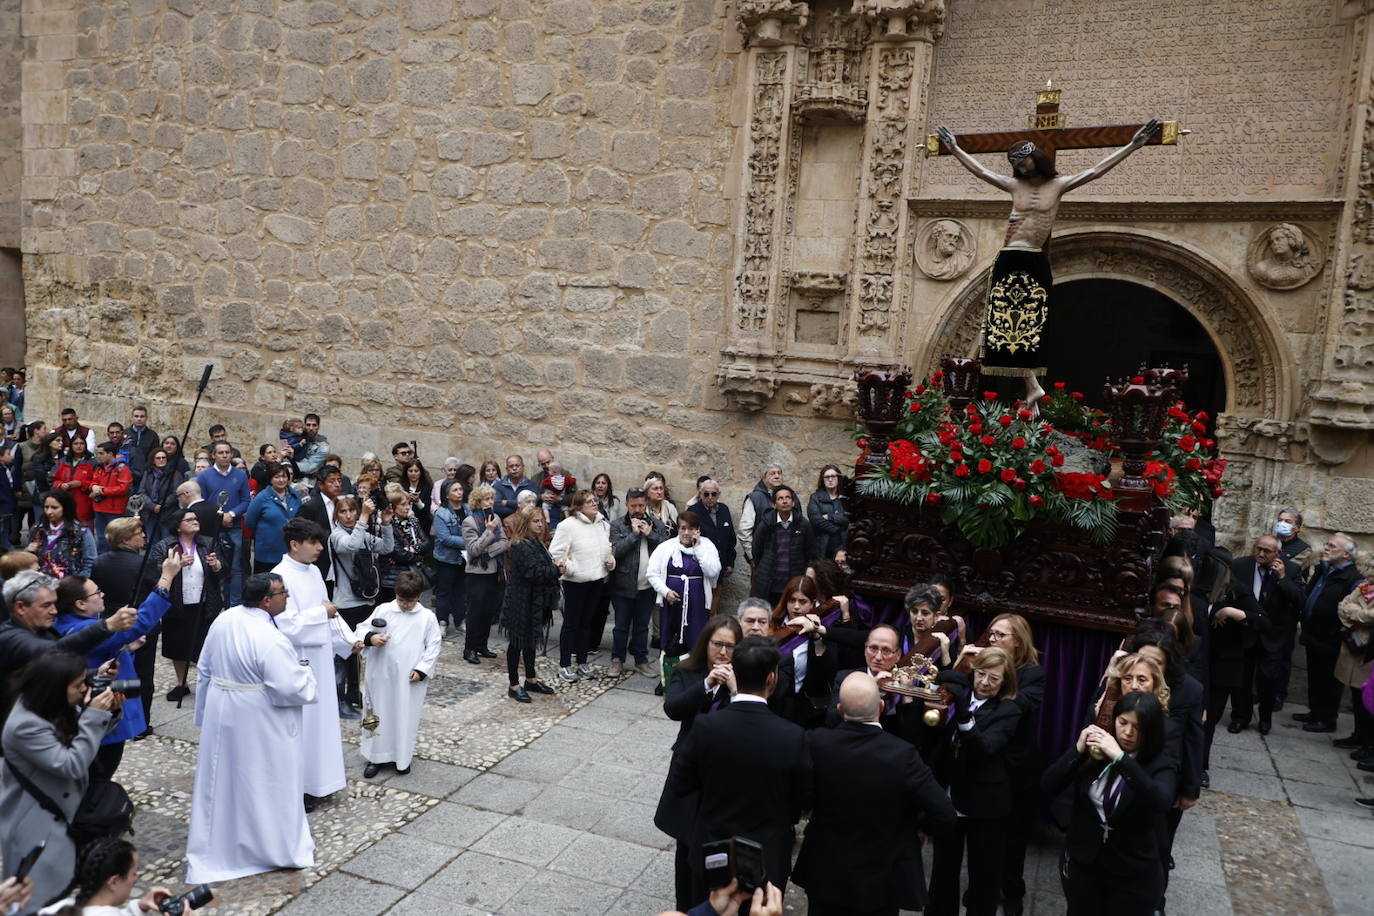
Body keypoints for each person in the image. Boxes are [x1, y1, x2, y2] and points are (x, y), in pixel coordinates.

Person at [935, 118, 1159, 405]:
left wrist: (1132, 146)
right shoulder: (1014, 185)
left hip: (1033, 257)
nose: (1021, 167)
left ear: (1036, 157)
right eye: (1016, 163)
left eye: (1024, 160)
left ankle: (1032, 386)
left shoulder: (1059, 185)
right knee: (1003, 326)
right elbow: (981, 171)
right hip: (1009, 255)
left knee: (1030, 323)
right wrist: (954, 149)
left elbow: (1095, 170)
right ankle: (1031, 386)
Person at [186, 572, 318, 882]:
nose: (287, 596)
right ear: (266, 601)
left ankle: (225, 837)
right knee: (263, 779)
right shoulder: (270, 638)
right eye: (282, 592)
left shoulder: (225, 619)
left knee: (226, 779)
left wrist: (205, 714)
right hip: (258, 719)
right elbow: (290, 687)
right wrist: (306, 672)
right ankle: (269, 846)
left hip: (224, 710)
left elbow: (204, 668)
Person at [792, 672, 957, 916]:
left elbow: (801, 794)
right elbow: (944, 813)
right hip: (881, 878)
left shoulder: (816, 742)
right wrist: (921, 829)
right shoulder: (903, 754)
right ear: (881, 706)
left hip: (826, 872)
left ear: (839, 709)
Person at [665, 636, 811, 905]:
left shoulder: (706, 727)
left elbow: (681, 784)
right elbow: (803, 799)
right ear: (771, 679)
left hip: (712, 847)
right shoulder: (792, 736)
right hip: (766, 852)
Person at [0, 650, 122, 914]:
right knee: (34, 901)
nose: (83, 690)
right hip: (35, 827)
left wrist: (107, 713)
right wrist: (94, 715)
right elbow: (72, 763)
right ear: (54, 688)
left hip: (62, 817)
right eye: (78, 685)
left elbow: (81, 735)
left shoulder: (49, 704)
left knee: (64, 894)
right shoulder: (24, 725)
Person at [1042, 692, 1177, 916]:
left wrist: (1121, 759)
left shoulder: (1160, 763)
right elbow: (1048, 784)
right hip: (1085, 863)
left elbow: (1160, 801)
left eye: (1138, 727)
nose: (1127, 732)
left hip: (1131, 873)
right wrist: (1077, 751)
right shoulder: (1099, 750)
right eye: (1122, 722)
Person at [52, 554, 181, 780]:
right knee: (100, 776)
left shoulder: (65, 623)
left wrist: (126, 648)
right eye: (96, 592)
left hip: (94, 707)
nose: (102, 594)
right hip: (101, 716)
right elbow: (139, 622)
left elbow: (98, 651)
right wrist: (166, 577)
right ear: (80, 604)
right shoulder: (85, 629)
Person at [955, 614, 1044, 916]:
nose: (992, 639)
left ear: (1017, 640)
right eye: (991, 634)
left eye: (1000, 635)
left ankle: (1013, 890)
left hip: (1013, 766)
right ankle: (984, 888)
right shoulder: (983, 664)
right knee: (986, 845)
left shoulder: (1032, 674)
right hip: (982, 760)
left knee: (1014, 836)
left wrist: (996, 677)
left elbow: (1021, 704)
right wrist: (966, 665)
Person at [925, 646, 1023, 916]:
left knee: (984, 875)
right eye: (981, 674)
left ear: (1005, 682)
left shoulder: (1009, 710)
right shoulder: (959, 694)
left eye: (994, 678)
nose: (985, 682)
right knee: (943, 870)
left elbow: (985, 748)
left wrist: (965, 717)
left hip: (985, 805)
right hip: (950, 796)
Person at [655, 614, 743, 910]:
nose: (723, 652)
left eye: (730, 646)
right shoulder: (688, 671)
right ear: (706, 643)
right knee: (686, 842)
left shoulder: (742, 680)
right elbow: (673, 708)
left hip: (725, 776)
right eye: (717, 644)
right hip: (691, 772)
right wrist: (706, 684)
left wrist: (733, 691)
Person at [271, 518, 352, 809]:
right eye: (314, 543)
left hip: (321, 658)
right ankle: (301, 786)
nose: (320, 548)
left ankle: (322, 781)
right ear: (295, 544)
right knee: (303, 726)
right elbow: (286, 624)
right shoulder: (279, 576)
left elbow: (328, 609)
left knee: (322, 722)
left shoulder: (314, 571)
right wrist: (321, 613)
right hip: (299, 659)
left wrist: (350, 641)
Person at [352, 570, 440, 777]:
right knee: (378, 714)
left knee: (405, 715)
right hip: (380, 673)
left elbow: (434, 646)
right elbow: (360, 629)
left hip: (408, 678)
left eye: (409, 601)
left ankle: (402, 757)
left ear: (418, 596)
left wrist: (422, 669)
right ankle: (375, 756)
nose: (405, 605)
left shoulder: (427, 617)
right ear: (396, 594)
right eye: (401, 600)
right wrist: (371, 638)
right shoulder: (384, 610)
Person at [0, 571, 137, 686]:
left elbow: (54, 673)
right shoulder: (10, 638)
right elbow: (56, 654)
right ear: (20, 607)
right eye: (46, 605)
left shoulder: (42, 629)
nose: (54, 611)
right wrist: (107, 626)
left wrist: (95, 674)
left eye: (54, 604)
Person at [1225, 535, 1303, 734]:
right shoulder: (1241, 565)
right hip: (1245, 632)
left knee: (1268, 680)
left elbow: (1300, 601)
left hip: (1273, 637)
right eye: (1258, 548)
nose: (1260, 553)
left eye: (1266, 551)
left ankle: (1265, 718)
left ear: (1278, 554)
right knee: (1241, 679)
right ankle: (1240, 717)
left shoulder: (1291, 570)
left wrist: (1283, 578)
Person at [147, 508, 225, 707]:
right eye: (189, 520)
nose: (195, 522)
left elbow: (224, 570)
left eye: (195, 518)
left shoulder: (208, 542)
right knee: (178, 645)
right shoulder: (165, 545)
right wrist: (176, 566)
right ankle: (181, 683)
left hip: (205, 602)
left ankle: (207, 681)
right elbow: (156, 571)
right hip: (177, 603)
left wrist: (216, 565)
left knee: (204, 644)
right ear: (178, 526)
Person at [90, 518, 159, 738]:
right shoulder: (144, 563)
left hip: (111, 621)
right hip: (139, 621)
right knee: (143, 674)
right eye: (139, 532)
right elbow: (155, 591)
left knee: (113, 670)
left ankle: (114, 715)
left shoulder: (99, 561)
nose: (144, 535)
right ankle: (141, 723)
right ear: (127, 538)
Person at [329, 495, 393, 719]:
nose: (348, 516)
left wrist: (385, 524)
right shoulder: (336, 535)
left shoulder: (362, 532)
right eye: (343, 512)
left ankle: (354, 693)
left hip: (365, 600)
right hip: (346, 602)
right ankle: (339, 699)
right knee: (345, 653)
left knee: (359, 650)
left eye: (352, 511)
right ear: (336, 515)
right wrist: (364, 516)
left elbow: (386, 547)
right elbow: (351, 545)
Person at [1295, 533, 1361, 733]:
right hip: (1313, 632)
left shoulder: (1353, 578)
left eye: (1332, 546)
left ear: (1347, 555)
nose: (1326, 548)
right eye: (1327, 544)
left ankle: (1327, 718)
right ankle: (1315, 712)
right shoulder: (1324, 569)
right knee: (1315, 675)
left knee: (1329, 680)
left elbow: (1353, 610)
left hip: (1332, 637)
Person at [648, 511, 723, 685]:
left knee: (696, 638)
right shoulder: (666, 547)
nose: (687, 533)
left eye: (691, 529)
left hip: (697, 602)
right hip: (672, 602)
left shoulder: (707, 546)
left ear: (698, 530)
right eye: (683, 528)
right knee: (669, 637)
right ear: (678, 529)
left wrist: (698, 549)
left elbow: (713, 572)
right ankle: (667, 678)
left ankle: (694, 679)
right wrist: (665, 591)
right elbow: (652, 573)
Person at [548, 489, 614, 682]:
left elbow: (607, 550)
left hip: (596, 579)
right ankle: (565, 664)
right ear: (578, 507)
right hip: (575, 582)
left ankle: (582, 661)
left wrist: (611, 563)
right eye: (589, 501)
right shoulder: (567, 526)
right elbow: (555, 554)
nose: (594, 503)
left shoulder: (602, 524)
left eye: (594, 500)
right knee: (571, 624)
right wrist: (571, 568)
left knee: (587, 623)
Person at [607, 487, 671, 679]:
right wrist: (634, 535)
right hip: (623, 585)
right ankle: (617, 660)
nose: (637, 509)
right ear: (627, 504)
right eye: (633, 505)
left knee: (643, 626)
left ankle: (641, 660)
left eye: (641, 505)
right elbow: (615, 551)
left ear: (646, 505)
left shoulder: (657, 525)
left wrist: (649, 534)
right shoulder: (617, 525)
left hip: (647, 586)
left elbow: (666, 548)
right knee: (621, 626)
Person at [499, 506, 560, 703]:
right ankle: (514, 684)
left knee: (531, 641)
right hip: (521, 601)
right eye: (536, 521)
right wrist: (556, 570)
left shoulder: (536, 542)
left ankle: (531, 679)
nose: (541, 524)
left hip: (535, 600)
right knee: (517, 643)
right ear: (526, 523)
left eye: (541, 521)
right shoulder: (519, 545)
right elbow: (534, 573)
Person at [38, 837, 172, 916]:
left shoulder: (60, 907)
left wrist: (140, 907)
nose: (135, 879)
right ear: (114, 882)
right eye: (134, 873)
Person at [197, 441, 250, 608]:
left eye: (227, 452)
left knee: (235, 569)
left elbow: (246, 501)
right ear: (213, 455)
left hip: (234, 526)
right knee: (213, 565)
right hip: (212, 529)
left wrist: (231, 514)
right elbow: (202, 502)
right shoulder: (204, 476)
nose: (225, 455)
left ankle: (233, 605)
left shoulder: (240, 475)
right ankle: (213, 603)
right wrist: (219, 517)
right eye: (221, 452)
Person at [461, 484, 509, 665]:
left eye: (492, 499)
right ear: (477, 502)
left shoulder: (496, 517)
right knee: (475, 612)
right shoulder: (469, 522)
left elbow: (505, 542)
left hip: (494, 570)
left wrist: (488, 552)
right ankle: (470, 648)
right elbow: (473, 550)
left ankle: (482, 645)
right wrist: (488, 531)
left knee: (489, 611)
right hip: (477, 573)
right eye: (486, 499)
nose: (490, 502)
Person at [748, 486, 817, 606]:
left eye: (787, 498)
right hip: (770, 583)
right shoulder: (766, 524)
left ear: (793, 502)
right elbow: (757, 550)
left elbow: (810, 551)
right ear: (774, 504)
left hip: (793, 582)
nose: (784, 501)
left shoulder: (803, 524)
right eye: (780, 498)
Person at [1334, 577, 1374, 768]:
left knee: (1367, 697)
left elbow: (1371, 617)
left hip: (1368, 648)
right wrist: (1355, 614)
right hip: (1353, 641)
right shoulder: (1364, 586)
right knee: (1356, 695)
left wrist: (1353, 613)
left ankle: (1368, 743)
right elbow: (1342, 605)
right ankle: (1358, 735)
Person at [244, 463, 301, 573]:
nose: (281, 480)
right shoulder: (262, 497)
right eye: (277, 477)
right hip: (267, 553)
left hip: (290, 551)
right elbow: (250, 521)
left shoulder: (295, 496)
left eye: (284, 476)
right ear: (270, 479)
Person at [430, 478, 468, 639]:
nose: (459, 492)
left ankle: (459, 620)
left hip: (463, 559)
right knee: (444, 591)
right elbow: (445, 538)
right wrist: (468, 542)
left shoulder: (467, 509)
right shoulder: (442, 513)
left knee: (461, 591)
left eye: (460, 489)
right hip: (446, 558)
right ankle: (442, 622)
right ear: (447, 495)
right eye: (455, 490)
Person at [29, 490, 97, 579]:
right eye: (46, 507)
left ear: (65, 508)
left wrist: (79, 582)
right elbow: (27, 560)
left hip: (70, 583)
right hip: (42, 582)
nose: (49, 511)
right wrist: (28, 550)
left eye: (54, 507)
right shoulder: (37, 529)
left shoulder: (81, 531)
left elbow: (90, 561)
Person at [378, 486, 427, 607]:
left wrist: (414, 549)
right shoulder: (387, 524)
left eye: (409, 504)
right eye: (403, 504)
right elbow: (399, 554)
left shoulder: (412, 521)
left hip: (411, 576)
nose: (408, 507)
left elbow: (426, 543)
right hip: (391, 577)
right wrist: (417, 556)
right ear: (393, 507)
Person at [693, 479, 736, 609]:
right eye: (706, 494)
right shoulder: (694, 511)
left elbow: (731, 538)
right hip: (701, 567)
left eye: (713, 494)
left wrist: (730, 562)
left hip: (720, 565)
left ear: (718, 494)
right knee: (700, 604)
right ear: (700, 495)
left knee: (714, 604)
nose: (710, 497)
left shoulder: (724, 509)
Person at [297, 464, 343, 584]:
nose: (337, 484)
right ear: (321, 485)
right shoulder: (310, 507)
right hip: (319, 563)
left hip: (339, 565)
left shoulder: (341, 504)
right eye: (332, 481)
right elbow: (300, 535)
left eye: (339, 480)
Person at [88, 443, 132, 554]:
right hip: (99, 508)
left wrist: (102, 491)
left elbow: (123, 488)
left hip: (114, 510)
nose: (99, 456)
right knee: (101, 538)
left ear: (110, 454)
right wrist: (93, 486)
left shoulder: (122, 468)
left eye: (101, 453)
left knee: (114, 538)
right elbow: (93, 481)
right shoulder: (100, 467)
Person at [134, 448, 184, 544]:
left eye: (163, 458)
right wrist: (153, 506)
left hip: (167, 514)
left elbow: (176, 493)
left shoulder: (175, 474)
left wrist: (161, 505)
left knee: (167, 542)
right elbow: (141, 491)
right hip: (150, 514)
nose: (161, 460)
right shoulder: (148, 473)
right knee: (152, 543)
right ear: (153, 460)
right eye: (158, 458)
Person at [737, 463, 782, 569]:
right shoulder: (755, 498)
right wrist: (752, 557)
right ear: (764, 477)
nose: (777, 476)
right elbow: (744, 531)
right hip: (762, 559)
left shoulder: (790, 497)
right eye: (773, 473)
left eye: (779, 473)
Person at [806, 465, 849, 561]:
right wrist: (840, 528)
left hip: (843, 548)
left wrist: (830, 516)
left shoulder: (846, 499)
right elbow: (816, 521)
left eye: (833, 476)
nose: (830, 479)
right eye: (827, 477)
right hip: (822, 549)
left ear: (838, 479)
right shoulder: (815, 498)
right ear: (823, 480)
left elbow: (849, 519)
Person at [52, 437, 96, 528]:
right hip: (63, 502)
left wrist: (82, 484)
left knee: (84, 532)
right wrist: (60, 485)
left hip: (84, 503)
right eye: (75, 444)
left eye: (81, 443)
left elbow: (97, 482)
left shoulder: (93, 463)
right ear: (71, 446)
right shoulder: (63, 461)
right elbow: (51, 479)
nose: (79, 446)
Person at [1274, 507, 1312, 578]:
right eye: (1280, 520)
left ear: (1297, 528)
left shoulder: (1305, 549)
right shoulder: (1270, 542)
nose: (1282, 523)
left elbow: (1291, 572)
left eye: (1287, 521)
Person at [399, 460, 433, 535]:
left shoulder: (427, 487)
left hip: (422, 524)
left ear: (420, 472)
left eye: (416, 471)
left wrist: (418, 502)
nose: (413, 474)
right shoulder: (400, 486)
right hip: (403, 523)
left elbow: (427, 511)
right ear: (406, 472)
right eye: (410, 471)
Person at [292, 413, 329, 479]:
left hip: (309, 482)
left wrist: (289, 463)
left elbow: (309, 467)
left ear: (318, 427)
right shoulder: (299, 437)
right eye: (308, 425)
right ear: (304, 426)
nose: (311, 428)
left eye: (314, 425)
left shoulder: (324, 447)